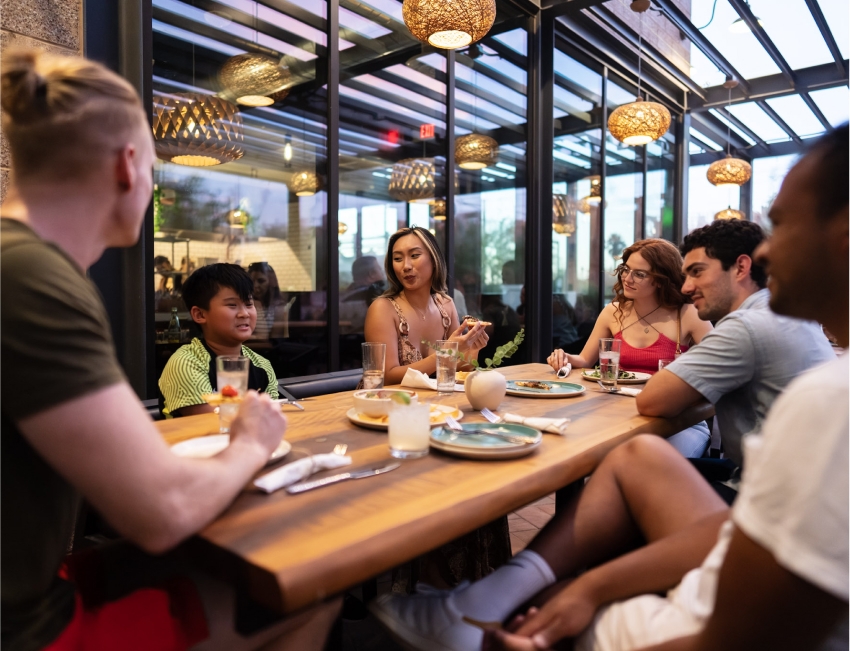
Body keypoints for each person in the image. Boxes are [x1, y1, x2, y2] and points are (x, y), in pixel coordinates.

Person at [370, 125, 849, 651]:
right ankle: (483, 601)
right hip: (746, 498)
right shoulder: (804, 350)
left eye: (782, 226)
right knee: (635, 456)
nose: (768, 252)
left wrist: (588, 594)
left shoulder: (782, 356)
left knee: (624, 462)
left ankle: (484, 613)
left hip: (730, 528)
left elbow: (743, 632)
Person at [0, 49, 339, 651]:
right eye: (156, 168)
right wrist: (250, 444)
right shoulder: (31, 280)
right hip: (27, 626)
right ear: (130, 166)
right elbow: (160, 514)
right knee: (312, 578)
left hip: (36, 582)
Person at [636, 220, 834, 497]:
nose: (685, 287)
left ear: (741, 268)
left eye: (697, 272)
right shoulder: (788, 313)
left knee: (631, 464)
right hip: (811, 484)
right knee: (638, 465)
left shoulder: (746, 324)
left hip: (772, 496)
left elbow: (651, 400)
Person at [548, 238, 713, 457]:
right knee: (581, 453)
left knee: (653, 466)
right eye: (626, 270)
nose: (627, 278)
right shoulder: (613, 311)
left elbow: (719, 365)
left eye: (639, 274)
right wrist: (565, 357)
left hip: (679, 422)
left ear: (661, 280)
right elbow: (585, 360)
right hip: (623, 416)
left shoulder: (687, 313)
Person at [364, 226, 488, 385]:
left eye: (414, 255)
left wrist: (472, 349)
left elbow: (458, 370)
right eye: (397, 259)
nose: (406, 266)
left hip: (433, 403)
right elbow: (385, 378)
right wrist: (444, 354)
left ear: (434, 260)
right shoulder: (382, 309)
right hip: (386, 404)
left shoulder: (446, 305)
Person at [159, 263, 279, 418]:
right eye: (232, 305)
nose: (244, 314)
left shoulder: (262, 366)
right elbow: (212, 423)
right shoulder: (186, 363)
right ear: (200, 315)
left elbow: (273, 418)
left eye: (249, 304)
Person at [340, 255, 386, 335]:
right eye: (380, 270)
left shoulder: (345, 296)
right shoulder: (369, 298)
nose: (382, 274)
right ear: (372, 274)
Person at [247, 261, 291, 342]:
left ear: (271, 283)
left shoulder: (278, 307)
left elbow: (274, 341)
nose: (255, 285)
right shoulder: (245, 304)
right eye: (251, 282)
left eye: (261, 281)